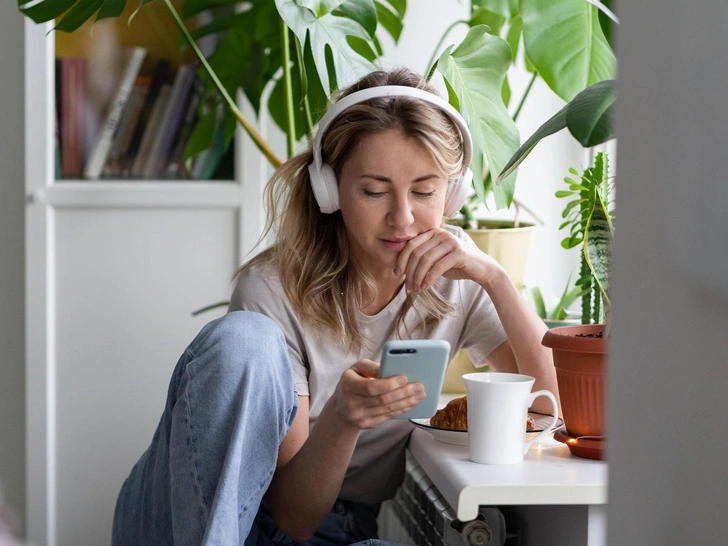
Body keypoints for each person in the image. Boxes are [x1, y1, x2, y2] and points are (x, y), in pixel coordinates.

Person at [112, 67, 559, 546]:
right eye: (373, 190)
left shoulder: (458, 279)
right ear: (330, 190)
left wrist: (493, 277)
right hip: (205, 516)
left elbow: (552, 405)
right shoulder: (271, 289)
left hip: (335, 527)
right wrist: (345, 419)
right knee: (243, 340)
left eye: (425, 191)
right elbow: (290, 517)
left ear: (453, 194)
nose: (403, 218)